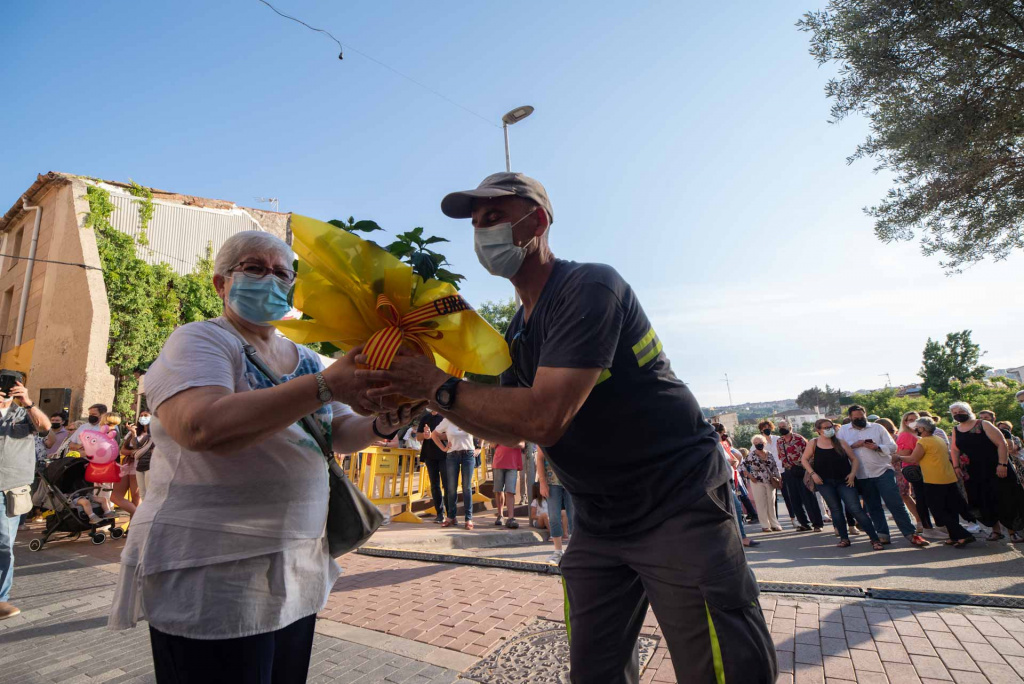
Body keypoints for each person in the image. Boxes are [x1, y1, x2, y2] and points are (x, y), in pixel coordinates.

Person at [354, 173, 776, 683]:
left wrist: (438, 387)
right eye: (476, 223)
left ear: (537, 221)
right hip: (599, 517)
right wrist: (426, 394)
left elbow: (544, 419)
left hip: (676, 502)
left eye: (494, 217)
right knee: (593, 667)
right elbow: (508, 431)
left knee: (719, 663)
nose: (481, 232)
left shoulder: (590, 287)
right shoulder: (517, 327)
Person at [107, 230, 411, 682]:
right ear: (220, 283)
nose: (270, 279)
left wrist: (387, 420)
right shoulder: (200, 341)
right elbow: (201, 425)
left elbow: (338, 433)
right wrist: (326, 386)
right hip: (213, 568)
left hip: (297, 564)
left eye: (282, 273)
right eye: (254, 268)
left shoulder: (308, 358)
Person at [837, 406, 929, 548]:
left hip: (882, 471)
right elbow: (838, 449)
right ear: (850, 418)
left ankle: (911, 534)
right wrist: (853, 445)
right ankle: (883, 535)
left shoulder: (877, 428)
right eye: (856, 418)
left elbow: (893, 447)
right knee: (873, 507)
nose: (860, 419)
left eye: (862, 416)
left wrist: (877, 447)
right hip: (861, 475)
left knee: (896, 504)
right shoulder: (843, 430)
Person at [0, 381, 52, 619]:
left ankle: (1, 599)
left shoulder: (24, 414)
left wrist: (28, 402)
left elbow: (45, 427)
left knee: (4, 544)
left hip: (10, 489)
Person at [801, 419, 883, 550]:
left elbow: (854, 459)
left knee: (856, 509)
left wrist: (852, 474)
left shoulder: (841, 442)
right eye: (825, 428)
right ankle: (844, 538)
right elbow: (804, 459)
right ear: (818, 430)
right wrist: (813, 474)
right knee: (835, 510)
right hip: (824, 482)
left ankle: (874, 539)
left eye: (830, 426)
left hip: (844, 481)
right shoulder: (814, 443)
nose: (829, 429)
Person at [950, 401, 1024, 541]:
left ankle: (1013, 532)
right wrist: (956, 466)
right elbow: (954, 449)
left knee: (1005, 498)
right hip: (973, 471)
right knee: (983, 500)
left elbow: (1001, 443)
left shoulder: (983, 424)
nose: (957, 414)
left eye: (960, 411)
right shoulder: (956, 429)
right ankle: (996, 531)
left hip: (996, 468)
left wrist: (1002, 464)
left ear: (968, 410)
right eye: (954, 413)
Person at [903, 417, 974, 548]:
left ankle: (963, 535)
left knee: (938, 511)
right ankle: (955, 537)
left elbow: (913, 458)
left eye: (917, 427)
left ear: (923, 429)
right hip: (948, 477)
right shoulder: (939, 439)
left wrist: (897, 457)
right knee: (950, 508)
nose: (916, 429)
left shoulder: (923, 442)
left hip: (934, 480)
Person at [776, 420, 823, 531]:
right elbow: (780, 455)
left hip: (802, 470)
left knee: (808, 498)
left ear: (790, 427)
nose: (782, 428)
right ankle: (804, 523)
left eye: (784, 426)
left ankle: (817, 524)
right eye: (780, 427)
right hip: (789, 471)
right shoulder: (779, 441)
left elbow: (809, 454)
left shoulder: (799, 439)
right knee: (794, 499)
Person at [433, 417, 477, 529]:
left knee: (466, 487)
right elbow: (434, 434)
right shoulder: (448, 420)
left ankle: (469, 518)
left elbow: (482, 432)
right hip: (452, 455)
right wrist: (443, 448)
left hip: (468, 454)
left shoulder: (469, 419)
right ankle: (451, 516)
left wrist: (479, 448)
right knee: (451, 487)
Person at [894, 411, 931, 533]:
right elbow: (904, 454)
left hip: (921, 468)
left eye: (916, 419)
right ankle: (922, 522)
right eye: (910, 420)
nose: (914, 422)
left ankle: (924, 523)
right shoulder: (906, 435)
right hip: (912, 470)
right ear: (905, 422)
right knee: (911, 495)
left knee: (920, 497)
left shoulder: (920, 434)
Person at [537, 447, 574, 563]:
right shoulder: (545, 433)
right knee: (553, 516)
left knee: (574, 516)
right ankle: (558, 552)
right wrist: (542, 482)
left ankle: (574, 551)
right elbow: (539, 457)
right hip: (552, 481)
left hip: (571, 481)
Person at [741, 435, 782, 533]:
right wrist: (750, 476)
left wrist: (779, 478)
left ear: (764, 443)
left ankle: (774, 524)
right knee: (761, 503)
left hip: (770, 480)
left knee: (771, 503)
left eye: (760, 442)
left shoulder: (769, 454)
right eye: (755, 443)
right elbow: (743, 466)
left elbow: (775, 467)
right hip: (757, 481)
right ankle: (765, 525)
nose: (758, 444)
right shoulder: (751, 455)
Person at [759, 420, 795, 524]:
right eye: (764, 428)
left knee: (788, 495)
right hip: (769, 473)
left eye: (768, 428)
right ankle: (775, 521)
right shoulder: (759, 442)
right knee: (772, 499)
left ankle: (793, 518)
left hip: (783, 470)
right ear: (761, 430)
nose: (767, 430)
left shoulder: (778, 439)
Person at [416, 410, 447, 524]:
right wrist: (424, 435)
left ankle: (450, 513)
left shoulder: (445, 417)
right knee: (434, 486)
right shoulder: (425, 418)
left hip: (445, 455)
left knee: (447, 484)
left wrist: (434, 435)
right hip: (429, 455)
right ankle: (440, 513)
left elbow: (449, 434)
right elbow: (418, 436)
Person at [492, 441, 524, 529]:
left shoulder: (516, 431)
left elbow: (522, 444)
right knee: (498, 490)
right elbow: (492, 444)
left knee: (510, 491)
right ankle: (500, 515)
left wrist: (509, 441)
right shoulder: (498, 431)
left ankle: (511, 517)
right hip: (498, 462)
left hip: (512, 464)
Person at [125, 411, 154, 502]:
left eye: (146, 415)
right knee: (142, 493)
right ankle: (148, 513)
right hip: (139, 466)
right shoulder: (143, 434)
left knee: (150, 493)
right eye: (141, 416)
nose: (143, 417)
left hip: (151, 466)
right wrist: (133, 433)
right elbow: (136, 446)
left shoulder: (157, 433)